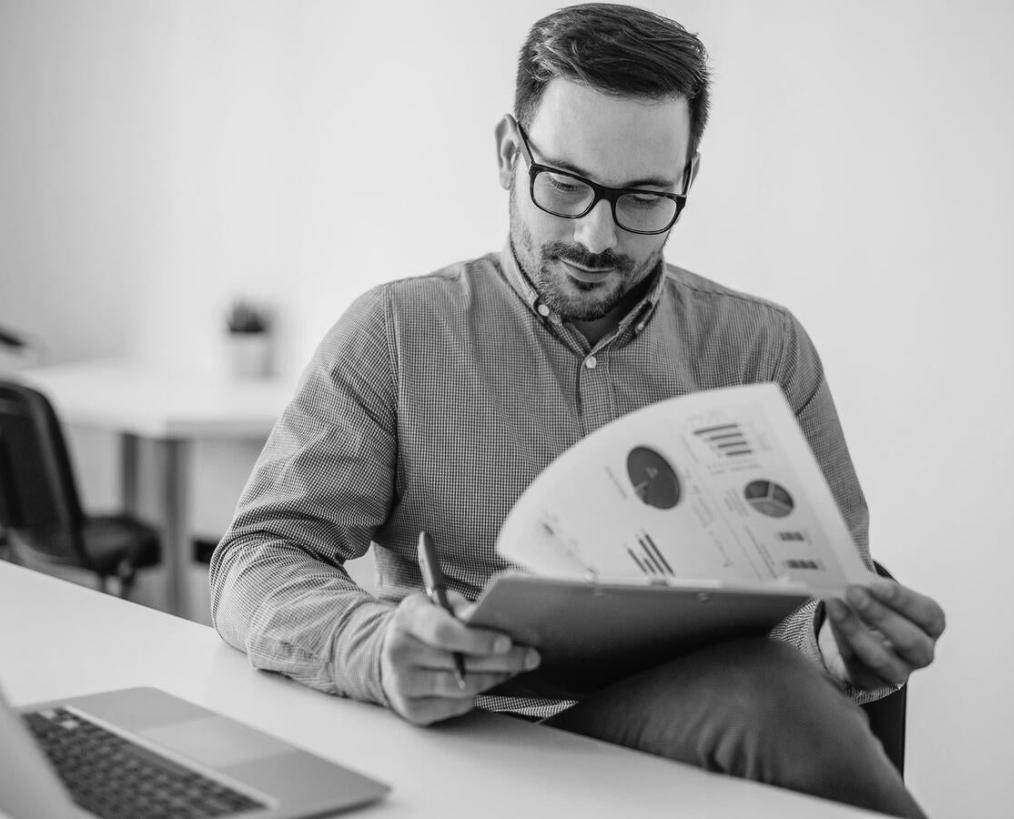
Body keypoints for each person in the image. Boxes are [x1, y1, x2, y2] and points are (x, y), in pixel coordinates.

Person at [210, 5, 945, 817]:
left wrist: (842, 644)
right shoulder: (396, 334)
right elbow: (258, 553)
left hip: (686, 741)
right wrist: (374, 643)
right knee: (765, 695)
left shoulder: (764, 351)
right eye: (564, 185)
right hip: (473, 744)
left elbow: (814, 593)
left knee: (767, 689)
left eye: (642, 199)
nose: (596, 236)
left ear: (686, 181)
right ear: (505, 153)